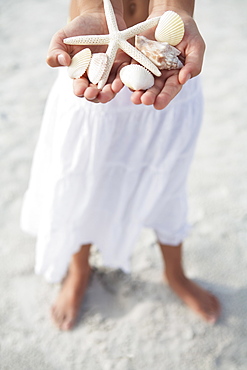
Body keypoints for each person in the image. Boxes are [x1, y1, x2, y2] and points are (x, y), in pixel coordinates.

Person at [21, 0, 221, 331]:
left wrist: (175, 10)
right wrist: (93, 13)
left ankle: (175, 273)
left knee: (166, 181)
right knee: (83, 180)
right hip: (97, 70)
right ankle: (79, 268)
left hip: (161, 65)